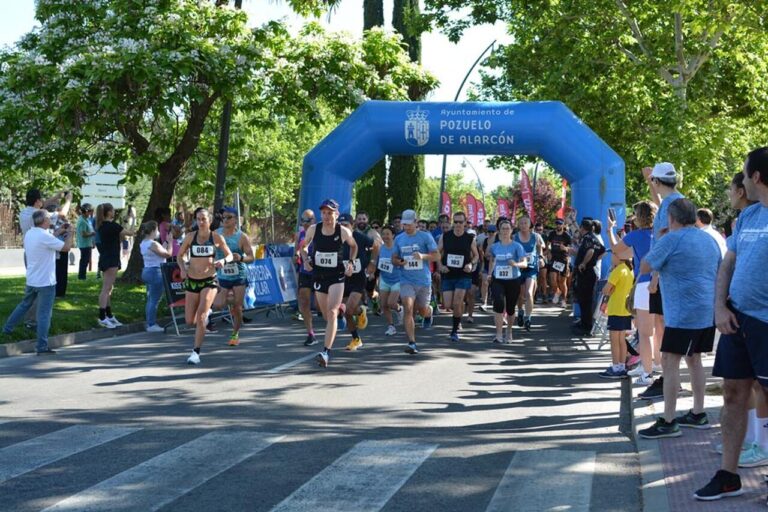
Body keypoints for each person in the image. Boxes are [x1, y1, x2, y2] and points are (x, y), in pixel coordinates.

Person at [695, 147, 768, 501]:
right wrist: (720, 307)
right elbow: (728, 264)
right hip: (737, 320)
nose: (740, 179)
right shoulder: (750, 216)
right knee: (732, 395)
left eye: (744, 172)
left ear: (756, 177)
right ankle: (728, 475)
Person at [637, 198, 721, 439]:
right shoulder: (708, 238)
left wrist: (662, 239)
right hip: (705, 311)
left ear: (671, 218)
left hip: (683, 314)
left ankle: (669, 419)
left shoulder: (671, 239)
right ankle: (698, 412)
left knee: (670, 361)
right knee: (694, 360)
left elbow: (645, 266)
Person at [2, 209, 74, 354]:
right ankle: (41, 346)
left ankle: (7, 329)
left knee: (24, 305)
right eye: (49, 219)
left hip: (32, 280)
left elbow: (47, 240)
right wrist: (71, 233)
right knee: (44, 314)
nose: (50, 221)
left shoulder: (30, 233)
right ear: (44, 221)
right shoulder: (44, 236)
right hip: (46, 282)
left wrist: (59, 231)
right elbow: (66, 248)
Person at [299, 199, 357, 368]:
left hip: (337, 276)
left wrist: (351, 263)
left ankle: (326, 352)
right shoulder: (313, 229)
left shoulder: (343, 231)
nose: (326, 216)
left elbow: (353, 247)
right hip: (319, 275)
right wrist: (306, 259)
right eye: (324, 212)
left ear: (336, 214)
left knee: (331, 314)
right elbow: (303, 247)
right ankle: (341, 309)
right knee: (325, 315)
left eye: (330, 213)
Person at [607, 201, 659, 387]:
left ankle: (647, 373)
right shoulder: (661, 233)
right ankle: (652, 365)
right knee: (658, 330)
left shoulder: (635, 235)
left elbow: (617, 251)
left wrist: (610, 230)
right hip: (662, 283)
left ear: (639, 217)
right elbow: (627, 253)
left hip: (644, 283)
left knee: (645, 333)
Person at [177, 208, 233, 365]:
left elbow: (229, 254)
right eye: (198, 219)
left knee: (201, 317)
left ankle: (195, 352)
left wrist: (223, 261)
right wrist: (182, 268)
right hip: (192, 281)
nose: (201, 222)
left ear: (209, 221)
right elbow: (180, 255)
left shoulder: (216, 237)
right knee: (190, 320)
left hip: (210, 280)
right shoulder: (190, 237)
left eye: (204, 219)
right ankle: (206, 314)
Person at [392, 209, 440, 355]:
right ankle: (412, 342)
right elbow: (394, 258)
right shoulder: (399, 239)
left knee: (422, 310)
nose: (406, 227)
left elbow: (437, 256)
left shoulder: (425, 237)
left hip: (423, 281)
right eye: (404, 224)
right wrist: (400, 261)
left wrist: (423, 256)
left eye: (408, 224)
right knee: (408, 308)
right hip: (406, 279)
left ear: (416, 222)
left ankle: (429, 312)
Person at [213, 207, 254, 346]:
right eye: (223, 217)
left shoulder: (242, 237)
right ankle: (230, 300)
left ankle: (235, 334)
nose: (225, 220)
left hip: (239, 275)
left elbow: (251, 257)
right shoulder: (216, 234)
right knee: (218, 304)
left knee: (237, 307)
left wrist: (241, 258)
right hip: (222, 275)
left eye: (229, 217)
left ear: (236, 219)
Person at [436, 211, 479, 342]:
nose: (458, 224)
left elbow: (476, 256)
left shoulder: (469, 238)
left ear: (465, 223)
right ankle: (459, 313)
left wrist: (471, 264)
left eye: (461, 222)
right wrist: (440, 266)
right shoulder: (445, 236)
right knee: (448, 304)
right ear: (453, 223)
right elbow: (437, 253)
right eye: (456, 222)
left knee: (457, 302)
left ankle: (454, 331)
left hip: (463, 274)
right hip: (448, 274)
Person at [337, 213, 378, 352]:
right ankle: (357, 334)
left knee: (348, 310)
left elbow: (376, 246)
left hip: (358, 278)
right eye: (341, 225)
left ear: (352, 225)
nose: (343, 228)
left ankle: (356, 336)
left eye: (346, 225)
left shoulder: (359, 236)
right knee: (346, 311)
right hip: (343, 278)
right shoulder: (336, 238)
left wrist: (372, 262)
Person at [487, 219, 527, 343]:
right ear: (499, 231)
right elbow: (492, 261)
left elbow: (525, 263)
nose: (505, 231)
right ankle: (498, 334)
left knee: (510, 308)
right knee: (498, 303)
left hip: (513, 280)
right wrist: (489, 274)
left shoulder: (517, 246)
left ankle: (509, 331)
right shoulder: (495, 247)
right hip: (498, 279)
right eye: (503, 228)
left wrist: (515, 264)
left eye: (507, 228)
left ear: (511, 231)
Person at [96, 203, 135, 328]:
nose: (114, 212)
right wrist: (133, 218)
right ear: (108, 213)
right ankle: (102, 317)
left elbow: (120, 236)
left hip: (107, 257)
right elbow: (131, 232)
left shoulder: (102, 226)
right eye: (112, 210)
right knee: (106, 288)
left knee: (109, 288)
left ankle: (109, 314)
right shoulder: (112, 226)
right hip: (111, 259)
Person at [597, 252, 634, 379]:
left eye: (613, 254)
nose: (611, 257)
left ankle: (616, 367)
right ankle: (621, 366)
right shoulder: (629, 270)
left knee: (614, 340)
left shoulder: (617, 270)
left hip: (615, 308)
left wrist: (609, 289)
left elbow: (606, 289)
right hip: (625, 309)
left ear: (619, 257)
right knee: (622, 340)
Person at [572, 219, 605, 336]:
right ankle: (584, 323)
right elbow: (603, 251)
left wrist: (584, 263)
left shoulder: (587, 239)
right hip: (590, 271)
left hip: (585, 272)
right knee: (586, 299)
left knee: (585, 300)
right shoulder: (594, 238)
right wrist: (595, 260)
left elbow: (591, 250)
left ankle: (586, 326)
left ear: (582, 228)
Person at [138, 221, 172, 332]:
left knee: (150, 298)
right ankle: (151, 324)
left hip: (147, 270)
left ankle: (150, 322)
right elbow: (167, 254)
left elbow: (160, 251)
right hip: (155, 272)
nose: (158, 232)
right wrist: (171, 243)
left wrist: (166, 241)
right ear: (153, 230)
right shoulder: (153, 244)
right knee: (154, 300)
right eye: (157, 230)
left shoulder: (144, 243)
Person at [514, 216, 544, 331]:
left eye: (525, 223)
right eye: (521, 223)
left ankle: (528, 317)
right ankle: (520, 311)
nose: (523, 225)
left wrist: (540, 257)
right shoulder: (515, 237)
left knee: (529, 293)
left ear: (529, 224)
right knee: (520, 295)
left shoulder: (535, 236)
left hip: (531, 268)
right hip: (519, 268)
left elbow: (539, 248)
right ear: (518, 225)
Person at [295, 209, 318, 346]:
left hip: (320, 272)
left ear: (313, 220)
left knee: (320, 307)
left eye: (307, 221)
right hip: (305, 271)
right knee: (304, 302)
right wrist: (297, 255)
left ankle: (340, 310)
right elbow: (296, 251)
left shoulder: (320, 232)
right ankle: (310, 334)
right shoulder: (300, 234)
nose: (304, 223)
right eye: (302, 220)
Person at [377, 225, 403, 336]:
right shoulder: (380, 248)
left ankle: (400, 309)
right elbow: (377, 263)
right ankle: (391, 326)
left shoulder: (398, 248)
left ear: (393, 235)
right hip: (384, 279)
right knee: (384, 305)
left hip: (397, 279)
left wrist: (398, 262)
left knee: (391, 303)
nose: (385, 236)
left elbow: (403, 262)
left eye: (388, 234)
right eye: (383, 234)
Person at [547, 218, 571, 308]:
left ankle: (564, 300)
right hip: (554, 259)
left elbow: (571, 248)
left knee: (562, 282)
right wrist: (548, 252)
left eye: (560, 224)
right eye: (557, 224)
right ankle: (557, 291)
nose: (558, 225)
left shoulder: (566, 236)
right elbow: (548, 244)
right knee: (552, 280)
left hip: (563, 260)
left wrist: (565, 248)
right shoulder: (552, 234)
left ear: (563, 225)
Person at [76, 203, 95, 280]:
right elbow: (83, 234)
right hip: (84, 244)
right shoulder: (82, 221)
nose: (91, 213)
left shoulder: (86, 219)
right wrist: (92, 233)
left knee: (86, 260)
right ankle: (82, 276)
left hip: (88, 243)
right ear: (86, 211)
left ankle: (83, 276)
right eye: (90, 211)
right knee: (84, 261)